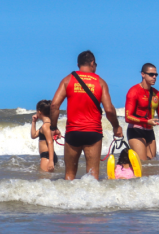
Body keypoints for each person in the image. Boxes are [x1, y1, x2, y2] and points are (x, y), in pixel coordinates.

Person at [49, 51, 123, 180]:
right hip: (93, 133)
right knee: (93, 176)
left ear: (78, 64)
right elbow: (109, 110)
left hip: (73, 132)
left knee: (69, 175)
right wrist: (116, 126)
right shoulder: (100, 82)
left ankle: (67, 199)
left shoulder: (67, 80)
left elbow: (54, 105)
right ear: (92, 63)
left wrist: (53, 127)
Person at [124, 63, 159, 161]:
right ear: (143, 74)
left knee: (151, 165)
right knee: (143, 163)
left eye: (156, 75)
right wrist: (146, 121)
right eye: (151, 74)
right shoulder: (133, 91)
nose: (154, 77)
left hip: (149, 132)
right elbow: (127, 117)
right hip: (135, 131)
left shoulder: (157, 94)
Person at [31, 100, 56, 171]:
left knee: (44, 178)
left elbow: (50, 142)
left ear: (39, 111)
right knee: (47, 180)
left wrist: (51, 161)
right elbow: (34, 135)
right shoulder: (48, 125)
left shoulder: (45, 126)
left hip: (47, 156)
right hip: (49, 155)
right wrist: (34, 122)